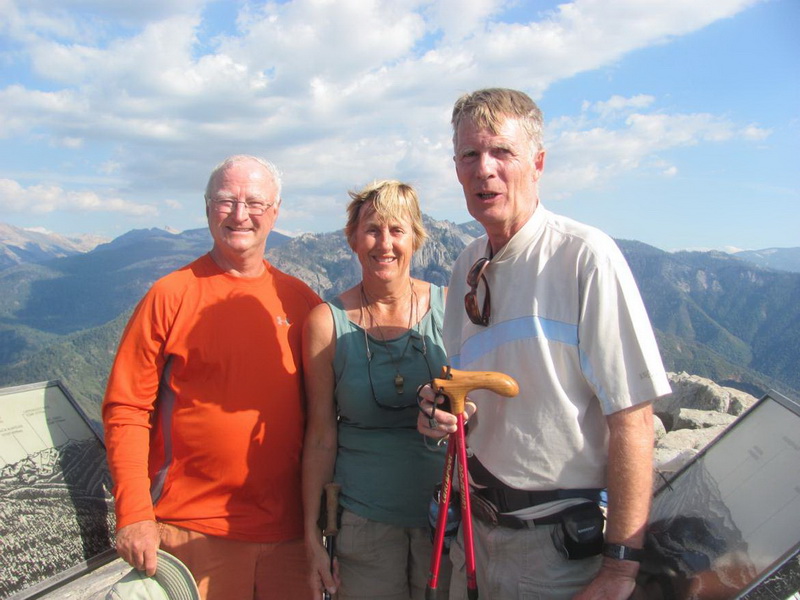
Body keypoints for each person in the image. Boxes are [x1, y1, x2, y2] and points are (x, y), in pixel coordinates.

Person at [417, 88, 672, 600]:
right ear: (456, 168)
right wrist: (440, 411)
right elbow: (467, 386)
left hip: (553, 554)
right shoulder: (467, 263)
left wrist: (620, 569)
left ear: (537, 163)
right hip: (475, 536)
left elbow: (633, 418)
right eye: (469, 155)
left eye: (501, 152)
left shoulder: (584, 258)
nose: (484, 169)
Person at [102, 155, 322, 600]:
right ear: (207, 209)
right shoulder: (170, 295)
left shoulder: (301, 302)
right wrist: (133, 514)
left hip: (290, 538)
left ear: (275, 212)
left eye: (255, 203)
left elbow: (327, 415)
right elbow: (126, 408)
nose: (240, 214)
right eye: (226, 201)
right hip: (189, 531)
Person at [302, 180, 451, 600]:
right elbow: (319, 437)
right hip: (362, 527)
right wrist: (311, 536)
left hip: (445, 519)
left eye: (397, 230)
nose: (384, 243)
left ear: (416, 239)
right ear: (352, 238)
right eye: (372, 229)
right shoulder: (325, 324)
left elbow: (478, 405)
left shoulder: (450, 308)